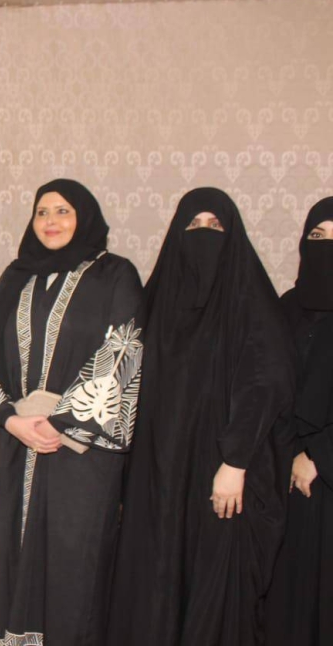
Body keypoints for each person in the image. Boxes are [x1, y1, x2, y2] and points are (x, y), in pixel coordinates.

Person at [109, 188, 294, 646]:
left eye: (216, 226)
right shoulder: (154, 303)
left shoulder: (252, 305)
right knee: (154, 581)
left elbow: (267, 383)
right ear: (176, 234)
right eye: (193, 225)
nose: (203, 234)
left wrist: (235, 462)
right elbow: (123, 385)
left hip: (221, 475)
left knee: (213, 587)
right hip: (156, 475)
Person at [0, 178, 143, 645]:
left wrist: (62, 422)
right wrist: (10, 419)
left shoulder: (115, 275)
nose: (51, 221)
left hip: (81, 451)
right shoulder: (16, 276)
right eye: (42, 212)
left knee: (76, 561)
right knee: (15, 554)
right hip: (20, 441)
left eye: (63, 211)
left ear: (84, 216)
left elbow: (123, 350)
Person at [265, 197, 333, 645]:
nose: (327, 245)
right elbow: (265, 383)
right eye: (318, 235)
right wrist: (288, 453)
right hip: (283, 473)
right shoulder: (287, 307)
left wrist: (319, 456)